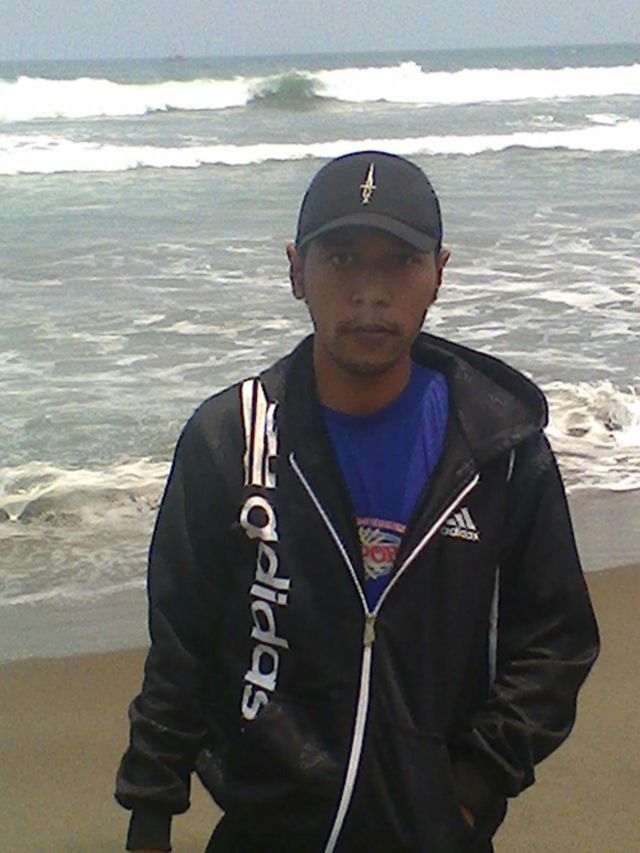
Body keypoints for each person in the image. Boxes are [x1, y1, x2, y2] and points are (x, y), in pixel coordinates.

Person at [115, 151, 599, 853]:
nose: (370, 293)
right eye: (341, 259)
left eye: (400, 262)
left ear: (439, 273)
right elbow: (180, 646)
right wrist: (150, 814)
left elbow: (556, 640)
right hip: (265, 833)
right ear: (295, 271)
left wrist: (472, 788)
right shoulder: (234, 438)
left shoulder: (499, 449)